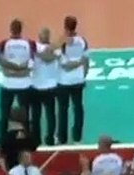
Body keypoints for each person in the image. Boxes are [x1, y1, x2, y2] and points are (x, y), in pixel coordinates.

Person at [0, 20, 35, 139]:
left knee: (4, 114)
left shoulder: (4, 44)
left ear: (11, 29)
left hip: (8, 83)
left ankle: (2, 139)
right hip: (24, 84)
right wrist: (22, 70)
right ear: (21, 29)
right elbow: (32, 62)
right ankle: (26, 138)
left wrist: (8, 69)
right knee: (25, 114)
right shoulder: (29, 44)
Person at [56, 16, 90, 144]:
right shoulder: (82, 41)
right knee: (78, 107)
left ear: (65, 26)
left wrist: (75, 65)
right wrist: (82, 73)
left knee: (63, 109)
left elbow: (65, 65)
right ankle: (77, 136)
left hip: (64, 81)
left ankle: (62, 138)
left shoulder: (61, 42)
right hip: (78, 80)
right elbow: (86, 60)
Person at [29, 28, 60, 146]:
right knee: (36, 115)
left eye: (47, 34)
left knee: (50, 115)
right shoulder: (36, 47)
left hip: (50, 86)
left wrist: (39, 54)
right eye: (43, 34)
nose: (45, 36)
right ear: (39, 35)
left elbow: (49, 58)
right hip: (36, 85)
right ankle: (36, 139)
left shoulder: (54, 49)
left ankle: (50, 138)